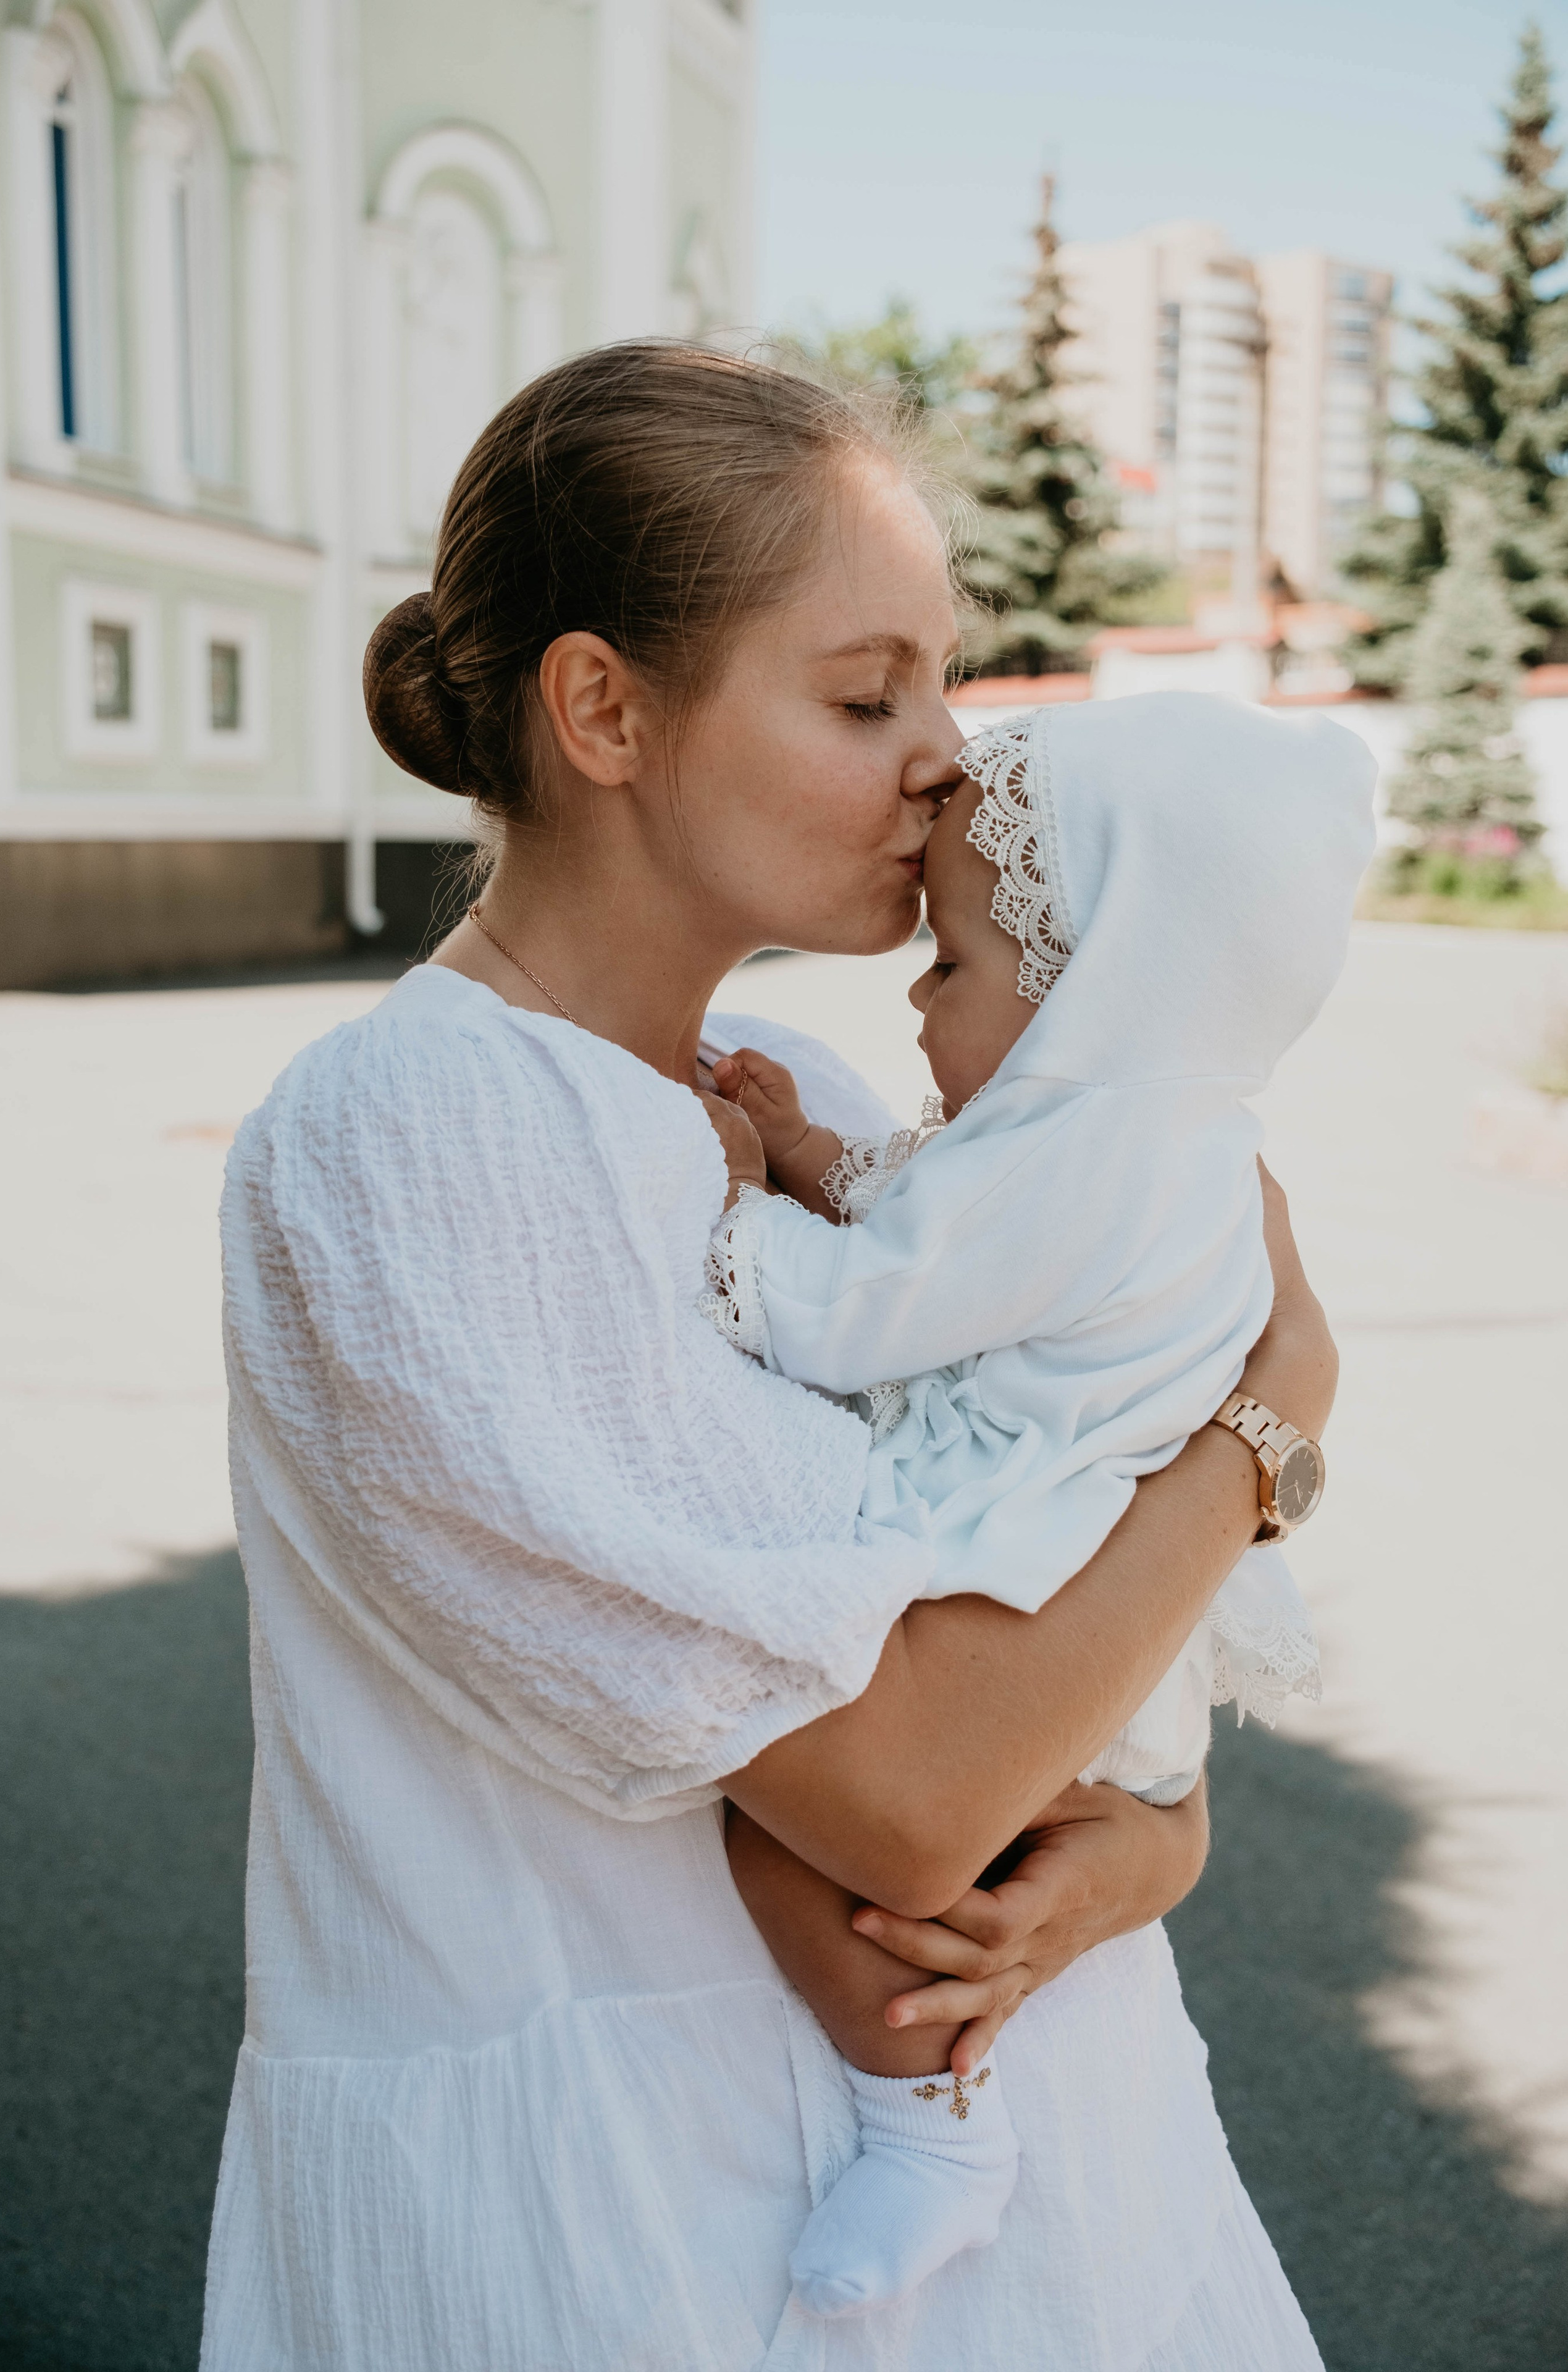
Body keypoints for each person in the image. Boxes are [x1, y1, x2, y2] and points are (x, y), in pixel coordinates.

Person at [204, 342, 1336, 2370]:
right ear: (605, 707)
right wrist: (1270, 1423)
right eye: (862, 690)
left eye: (946, 683)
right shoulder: (414, 1136)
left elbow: (1030, 1638)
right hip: (647, 2234)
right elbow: (904, 1790)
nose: (946, 757)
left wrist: (1152, 1839)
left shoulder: (804, 1091)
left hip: (1044, 2191)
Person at [694, 689, 1375, 2316]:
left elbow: (865, 1306)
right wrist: (813, 1155)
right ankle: (944, 2125)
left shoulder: (1087, 1146)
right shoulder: (1164, 1135)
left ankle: (927, 2129)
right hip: (1113, 1612)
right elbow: (939, 1217)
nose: (922, 1005)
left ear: (1094, 988)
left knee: (796, 1840)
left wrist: (727, 1208)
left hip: (1019, 1584)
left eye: (956, 965)